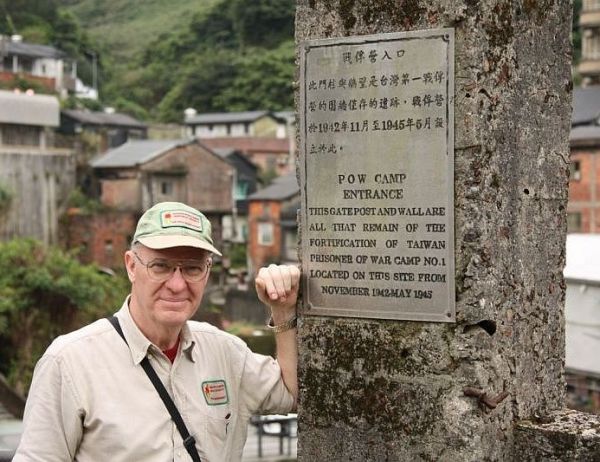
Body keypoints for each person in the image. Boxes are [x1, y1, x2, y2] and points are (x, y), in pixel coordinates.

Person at [13, 201, 300, 462]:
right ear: (131, 266)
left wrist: (283, 310)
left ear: (208, 272)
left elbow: (291, 393)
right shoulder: (69, 363)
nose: (177, 284)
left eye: (192, 268)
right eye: (160, 266)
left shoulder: (225, 353)